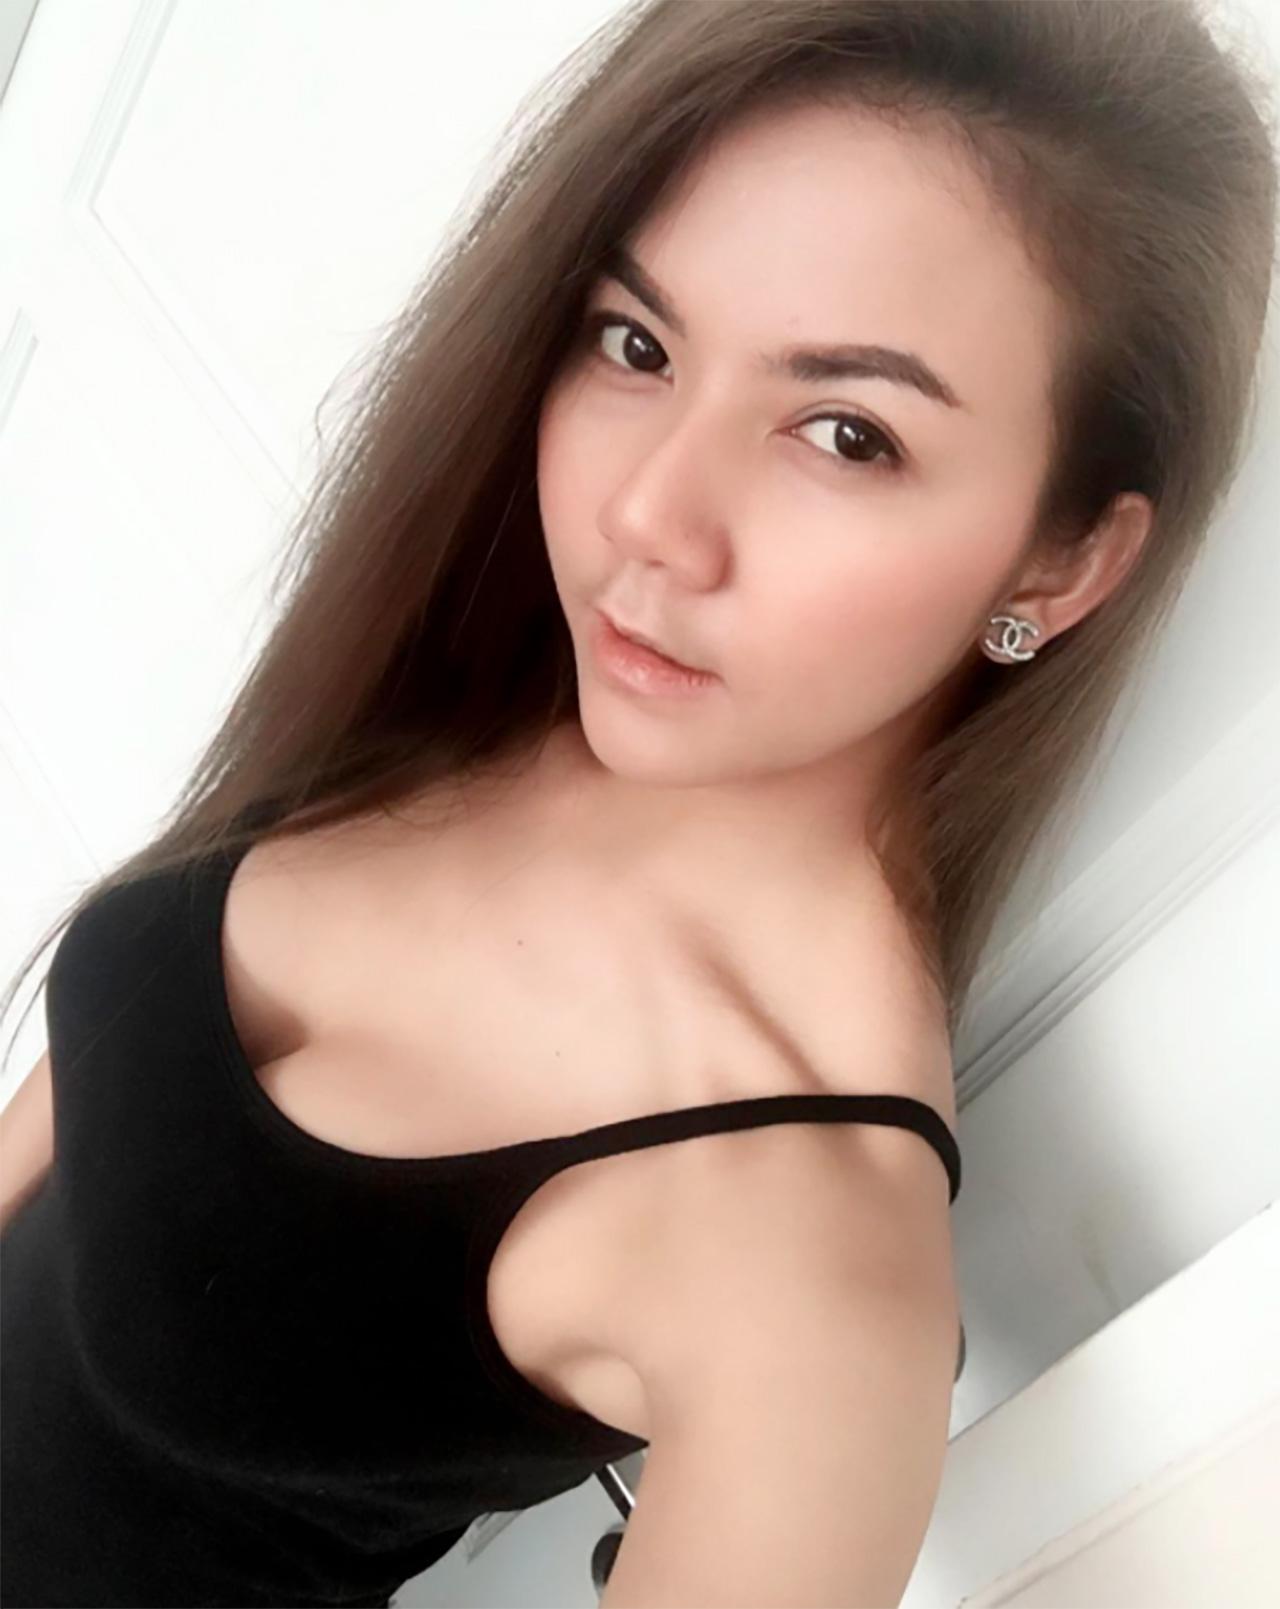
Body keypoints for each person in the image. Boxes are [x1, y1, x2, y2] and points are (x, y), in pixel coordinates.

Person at [1, 1, 1275, 1605]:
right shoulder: (465, 687)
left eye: (846, 432)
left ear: (1061, 560)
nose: (649, 515)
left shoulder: (804, 1271)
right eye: (637, 344)